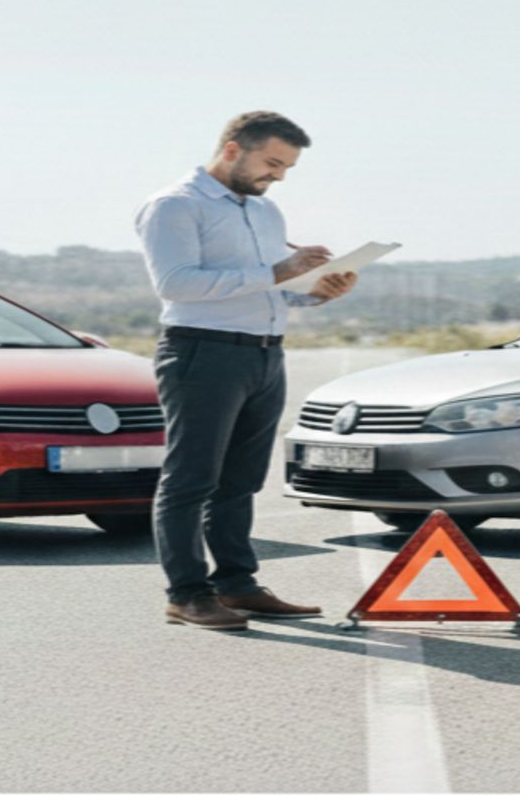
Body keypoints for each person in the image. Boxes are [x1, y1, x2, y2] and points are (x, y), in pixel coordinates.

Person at [134, 111, 358, 630]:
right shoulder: (174, 205)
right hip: (201, 352)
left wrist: (314, 293)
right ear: (233, 150)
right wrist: (279, 271)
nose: (278, 176)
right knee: (191, 479)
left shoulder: (265, 212)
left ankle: (237, 585)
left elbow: (265, 287)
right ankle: (186, 594)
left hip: (264, 353)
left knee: (240, 481)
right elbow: (177, 284)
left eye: (287, 168)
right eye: (273, 163)